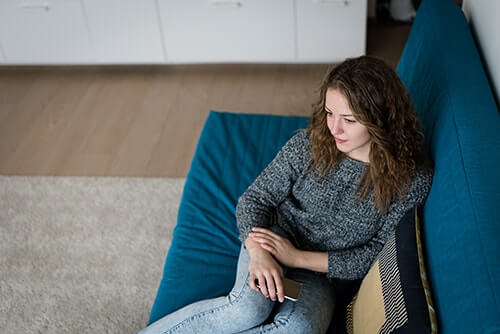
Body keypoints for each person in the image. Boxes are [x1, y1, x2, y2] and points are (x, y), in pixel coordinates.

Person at [138, 56, 433, 334]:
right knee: (246, 309)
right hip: (272, 238)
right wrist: (258, 252)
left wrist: (297, 258)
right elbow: (255, 200)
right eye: (329, 113)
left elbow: (372, 255)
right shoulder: (306, 146)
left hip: (322, 277)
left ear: (381, 119)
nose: (334, 128)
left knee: (298, 329)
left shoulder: (410, 180)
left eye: (350, 120)